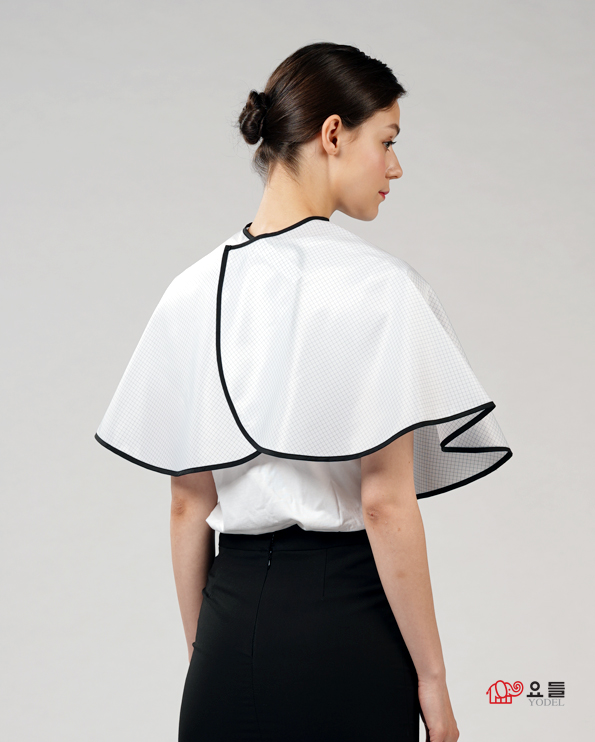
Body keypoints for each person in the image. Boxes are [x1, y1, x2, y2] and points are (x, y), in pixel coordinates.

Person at [94, 42, 512, 742]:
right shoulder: (381, 287)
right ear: (332, 134)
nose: (395, 167)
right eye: (387, 141)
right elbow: (383, 503)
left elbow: (187, 504)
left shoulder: (190, 291)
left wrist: (207, 656)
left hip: (229, 629)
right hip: (344, 625)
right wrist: (434, 685)